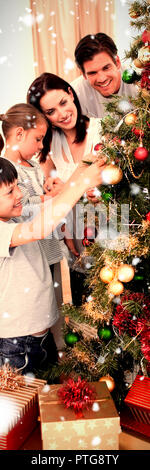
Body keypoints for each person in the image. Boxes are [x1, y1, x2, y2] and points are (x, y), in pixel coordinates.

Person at [0, 153, 106, 373]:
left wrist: (81, 169)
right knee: (25, 403)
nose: (19, 194)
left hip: (39, 335)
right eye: (10, 191)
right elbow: (39, 228)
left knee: (46, 396)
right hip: (15, 345)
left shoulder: (13, 216)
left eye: (17, 186)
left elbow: (54, 207)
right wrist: (84, 182)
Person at [27, 73, 103, 304]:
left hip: (110, 230)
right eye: (51, 112)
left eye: (62, 103)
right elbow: (50, 194)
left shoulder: (101, 131)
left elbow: (102, 179)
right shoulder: (49, 145)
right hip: (76, 237)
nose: (62, 114)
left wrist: (67, 188)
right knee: (84, 306)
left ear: (71, 94)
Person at [71, 32, 138, 118]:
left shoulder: (140, 81)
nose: (101, 79)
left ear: (117, 62)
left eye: (106, 68)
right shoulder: (75, 94)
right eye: (92, 73)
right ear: (83, 74)